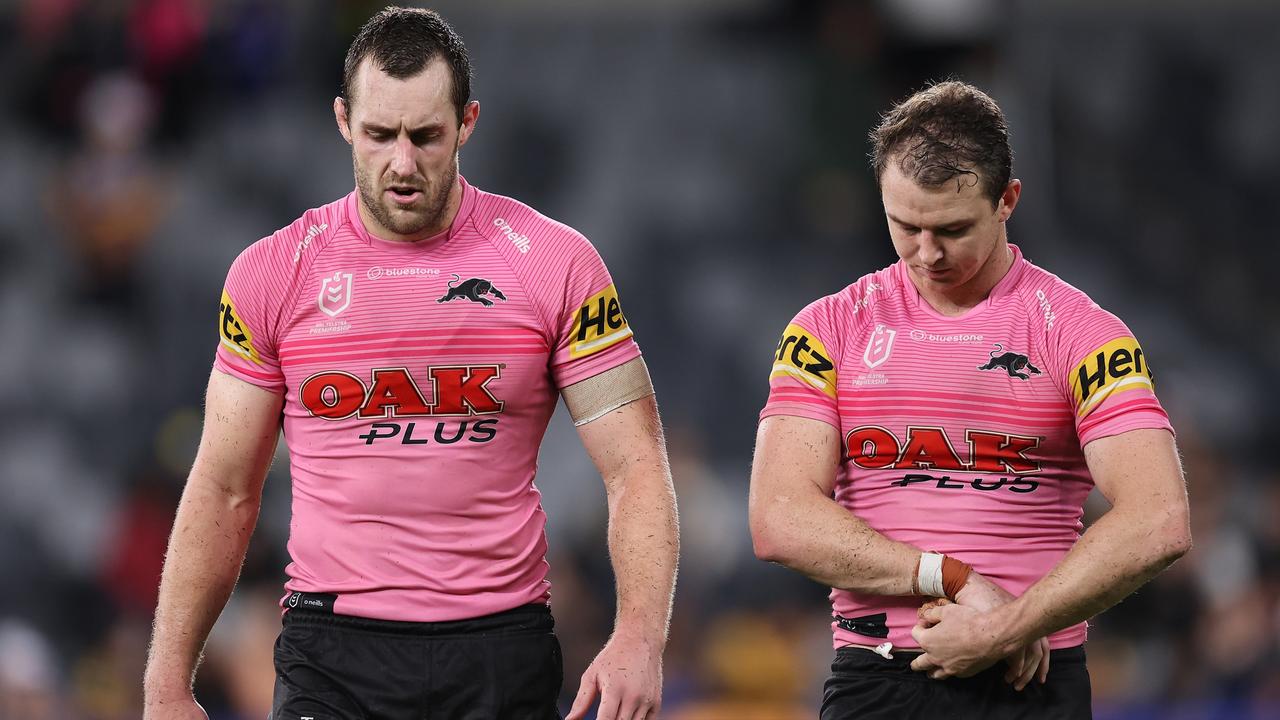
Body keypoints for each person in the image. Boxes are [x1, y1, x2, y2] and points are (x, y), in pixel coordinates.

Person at [142, 8, 678, 720]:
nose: (402, 163)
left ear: (468, 123)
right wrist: (166, 682)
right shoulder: (272, 274)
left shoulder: (557, 265)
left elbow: (637, 466)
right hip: (331, 655)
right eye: (379, 135)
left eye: (426, 136)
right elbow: (223, 488)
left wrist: (639, 639)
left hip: (500, 650)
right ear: (342, 121)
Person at [748, 80, 1191, 719]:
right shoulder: (827, 329)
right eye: (905, 225)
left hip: (1029, 680)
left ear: (1007, 200)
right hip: (876, 682)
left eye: (952, 229)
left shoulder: (1081, 333)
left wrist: (1005, 627)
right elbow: (779, 519)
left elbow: (1159, 519)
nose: (926, 254)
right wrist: (952, 578)